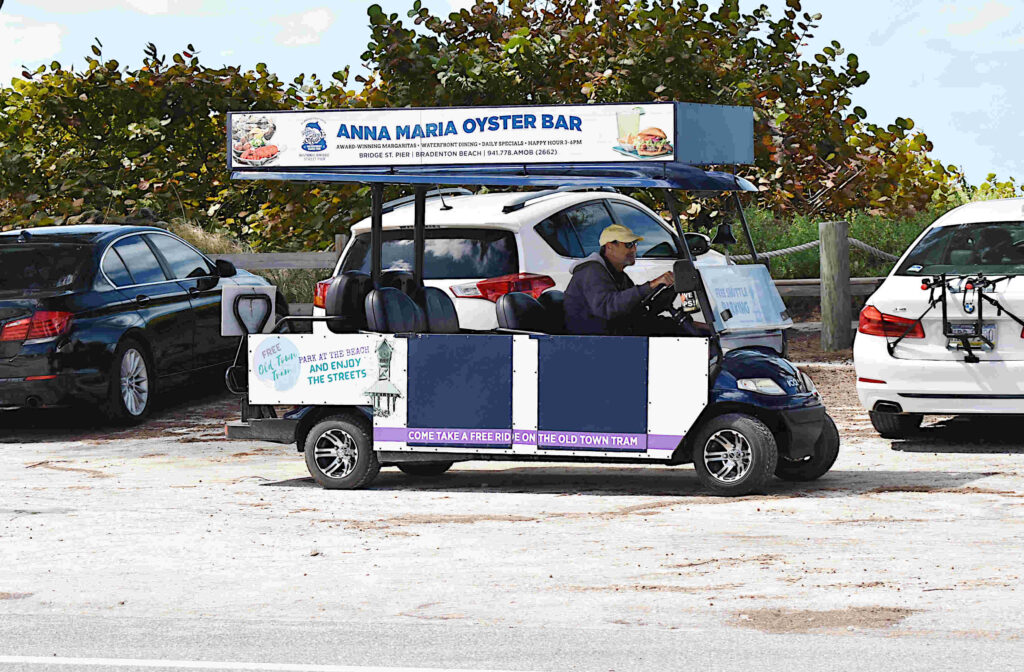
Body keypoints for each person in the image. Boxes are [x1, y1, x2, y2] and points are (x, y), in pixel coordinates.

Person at [563, 223, 675, 335]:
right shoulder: (591, 271)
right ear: (609, 247)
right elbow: (607, 307)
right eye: (629, 244)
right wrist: (651, 285)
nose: (634, 249)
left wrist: (676, 325)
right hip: (591, 342)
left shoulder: (619, 276)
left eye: (635, 244)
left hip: (612, 336)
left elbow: (637, 313)